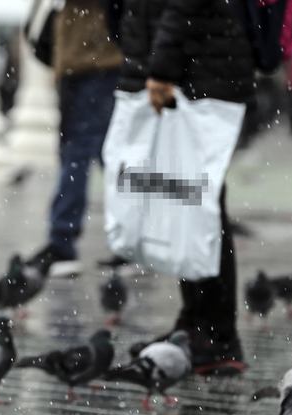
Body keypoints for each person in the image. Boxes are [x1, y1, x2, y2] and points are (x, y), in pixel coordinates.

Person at [117, 0, 256, 375]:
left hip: (198, 75)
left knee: (202, 206)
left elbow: (185, 5)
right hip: (190, 69)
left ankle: (217, 334)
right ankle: (196, 322)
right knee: (188, 201)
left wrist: (161, 68)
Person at [26, 0, 123, 278]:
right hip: (81, 63)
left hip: (96, 63)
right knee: (97, 153)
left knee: (78, 154)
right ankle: (129, 239)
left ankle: (64, 241)